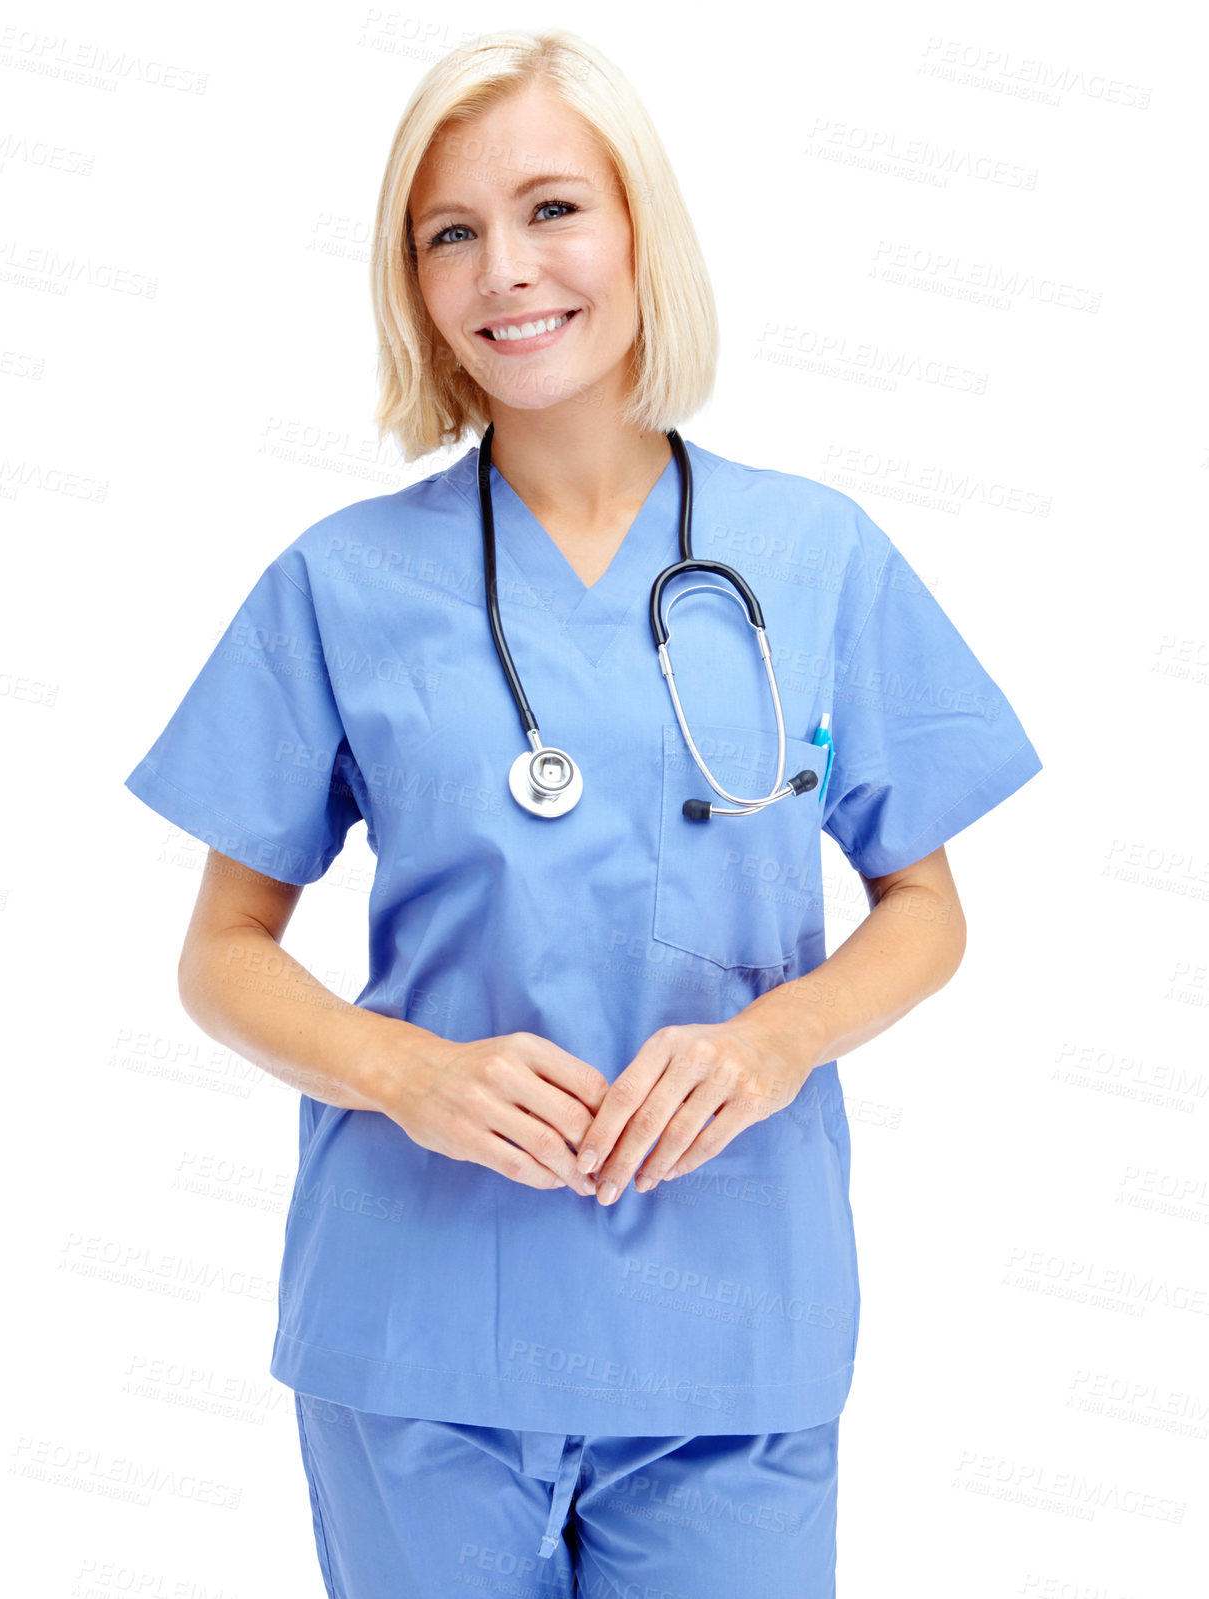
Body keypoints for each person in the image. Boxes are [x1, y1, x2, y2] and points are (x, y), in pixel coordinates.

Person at [124, 27, 1042, 1599]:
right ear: (412, 283)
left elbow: (926, 907)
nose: (506, 270)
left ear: (637, 230)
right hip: (418, 1316)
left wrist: (773, 1043)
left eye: (552, 208)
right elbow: (223, 953)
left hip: (726, 1324)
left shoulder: (812, 554)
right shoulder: (339, 583)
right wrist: (401, 1073)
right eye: (450, 232)